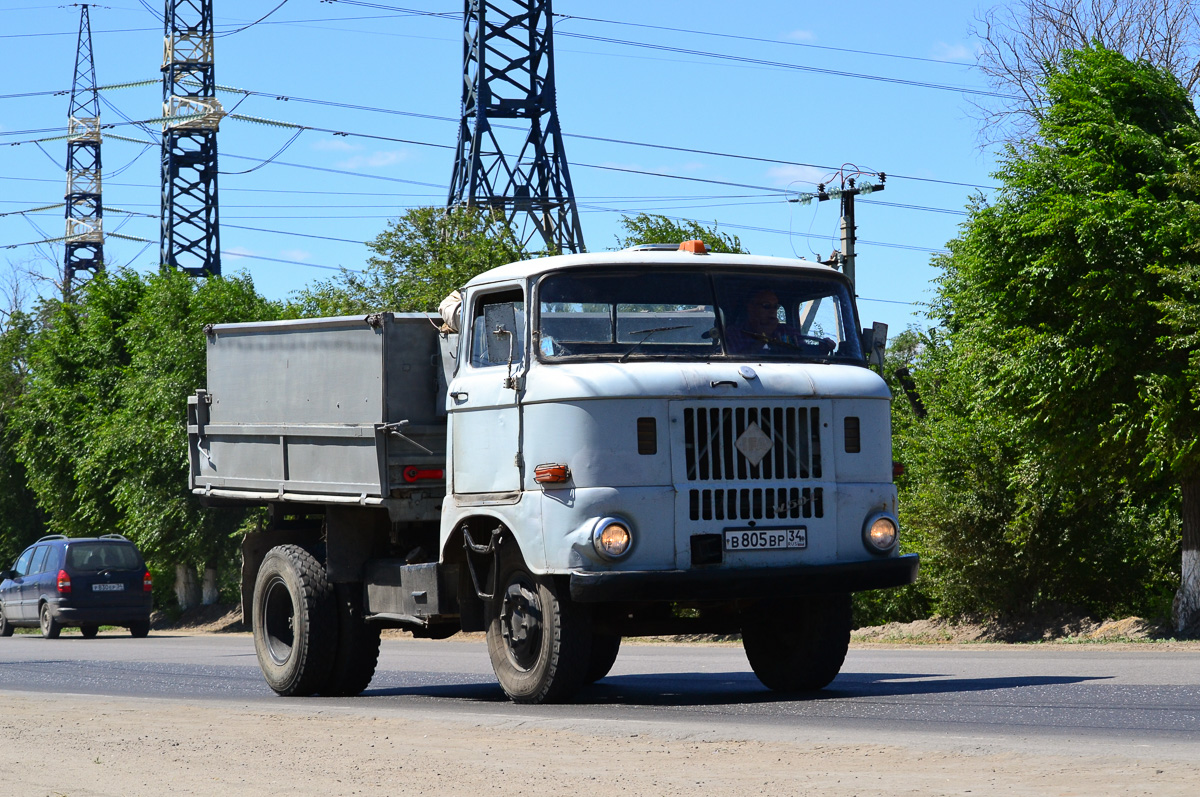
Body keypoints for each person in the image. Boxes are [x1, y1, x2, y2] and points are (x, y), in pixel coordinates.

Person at [724, 289, 833, 356]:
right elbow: (735, 361)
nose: (773, 310)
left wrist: (822, 349)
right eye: (766, 306)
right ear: (751, 308)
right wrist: (764, 337)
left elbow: (803, 353)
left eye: (775, 306)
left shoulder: (787, 331)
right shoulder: (735, 332)